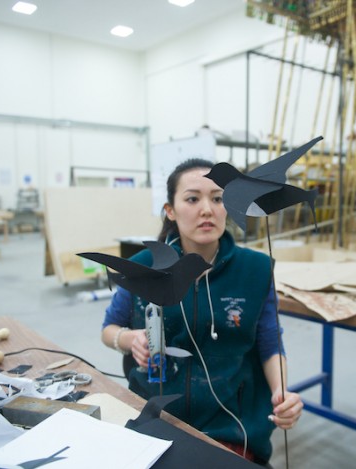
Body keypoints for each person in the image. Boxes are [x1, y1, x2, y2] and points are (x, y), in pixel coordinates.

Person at [101, 158, 303, 465]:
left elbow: (270, 343)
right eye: (193, 199)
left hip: (231, 425)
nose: (207, 209)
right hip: (155, 417)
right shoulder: (144, 267)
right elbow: (109, 329)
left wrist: (282, 393)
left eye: (218, 199)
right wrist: (128, 339)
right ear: (170, 210)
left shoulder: (256, 269)